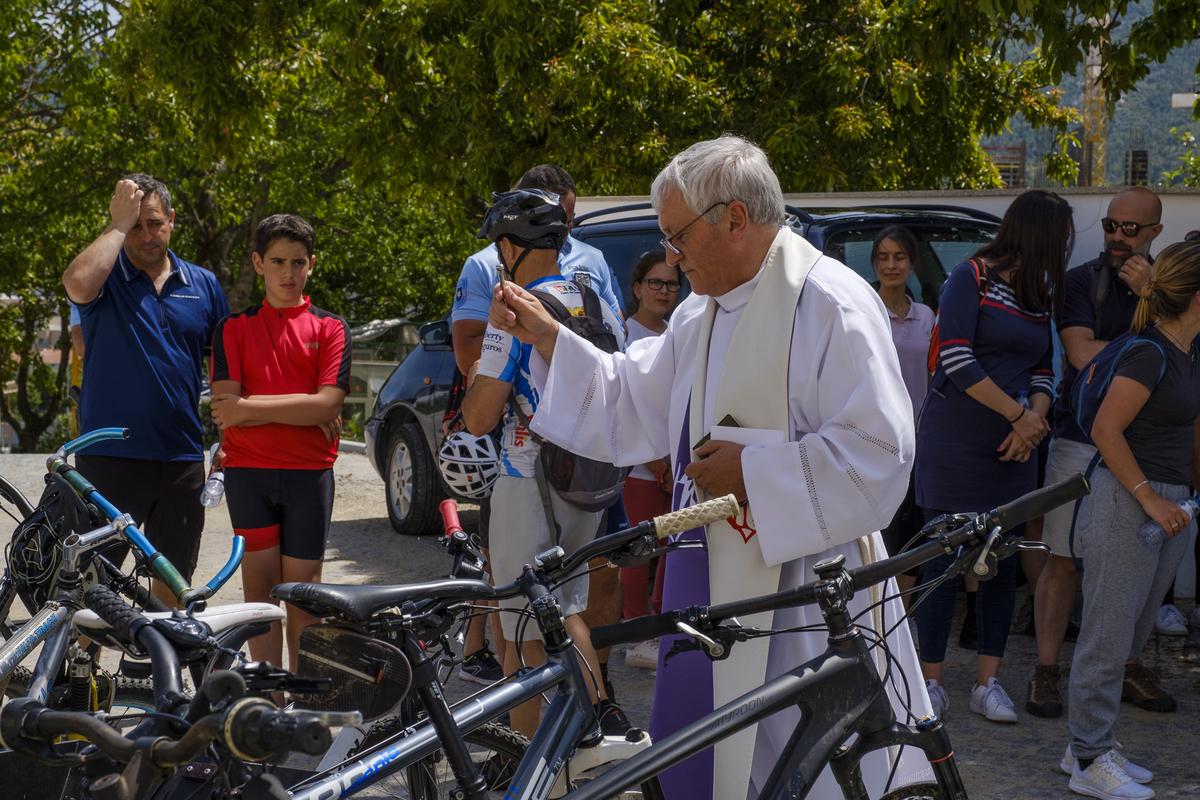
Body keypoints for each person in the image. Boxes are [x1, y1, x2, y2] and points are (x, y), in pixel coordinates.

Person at [488, 135, 931, 800]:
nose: (670, 254)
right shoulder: (701, 311)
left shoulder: (827, 302)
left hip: (804, 590)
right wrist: (549, 338)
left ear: (733, 218)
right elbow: (631, 395)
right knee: (703, 758)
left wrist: (757, 472)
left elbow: (880, 449)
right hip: (704, 571)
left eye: (678, 234)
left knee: (797, 766)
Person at [460, 189, 631, 740]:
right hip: (590, 476)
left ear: (509, 247)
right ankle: (564, 739)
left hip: (526, 479)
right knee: (564, 609)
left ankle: (542, 762)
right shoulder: (598, 301)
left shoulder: (514, 310)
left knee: (527, 629)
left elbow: (480, 416)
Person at [914, 189, 1068, 724]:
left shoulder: (1039, 293)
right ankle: (929, 684)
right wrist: (1018, 416)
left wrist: (1034, 420)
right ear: (1039, 235)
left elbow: (1046, 369)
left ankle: (988, 682)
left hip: (1014, 449)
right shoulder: (970, 277)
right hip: (956, 446)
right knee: (942, 565)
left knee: (999, 568)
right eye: (1061, 238)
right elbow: (956, 356)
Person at [1063, 240, 1200, 800]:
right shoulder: (1150, 352)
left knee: (1132, 632)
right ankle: (1091, 759)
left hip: (1163, 502)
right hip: (1130, 501)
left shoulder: (1185, 348)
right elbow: (1105, 431)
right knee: (1107, 633)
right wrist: (1150, 498)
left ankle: (1084, 747)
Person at [1026, 187, 1167, 719]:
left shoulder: (1169, 285)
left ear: (1155, 231)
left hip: (1146, 448)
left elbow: (1187, 349)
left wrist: (1154, 295)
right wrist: (1154, 344)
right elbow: (1082, 353)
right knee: (1062, 562)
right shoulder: (1081, 281)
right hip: (1079, 439)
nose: (1117, 237)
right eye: (1111, 225)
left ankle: (1127, 666)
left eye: (1131, 229)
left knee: (1136, 570)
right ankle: (1046, 671)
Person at [63, 175, 230, 607]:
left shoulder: (204, 284)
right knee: (95, 585)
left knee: (173, 580)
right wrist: (116, 225)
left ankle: (151, 674)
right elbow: (76, 284)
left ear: (172, 220)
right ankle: (82, 675)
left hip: (182, 458)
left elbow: (229, 370)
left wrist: (229, 442)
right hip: (109, 460)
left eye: (154, 223)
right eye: (135, 226)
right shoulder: (105, 279)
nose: (146, 235)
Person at [209, 214, 350, 674]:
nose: (288, 273)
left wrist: (251, 408)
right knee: (263, 597)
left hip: (309, 476)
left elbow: (328, 404)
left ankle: (301, 705)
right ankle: (269, 699)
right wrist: (305, 409)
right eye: (277, 262)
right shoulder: (232, 329)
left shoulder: (331, 328)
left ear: (311, 265)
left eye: (298, 262)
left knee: (305, 600)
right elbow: (223, 406)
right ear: (258, 262)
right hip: (248, 474)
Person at [619, 250, 682, 669]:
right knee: (638, 554)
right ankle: (634, 634)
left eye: (672, 284)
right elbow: (632, 403)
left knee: (671, 547)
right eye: (655, 283)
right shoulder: (626, 334)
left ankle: (661, 627)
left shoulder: (680, 330)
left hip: (677, 464)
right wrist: (658, 458)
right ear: (638, 287)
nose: (664, 291)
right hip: (641, 467)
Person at [871, 226, 934, 611]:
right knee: (881, 532)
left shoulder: (926, 316)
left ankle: (902, 617)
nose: (891, 265)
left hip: (918, 440)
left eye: (899, 257)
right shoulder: (865, 309)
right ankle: (876, 613)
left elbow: (933, 375)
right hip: (876, 439)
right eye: (883, 257)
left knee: (911, 530)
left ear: (911, 263)